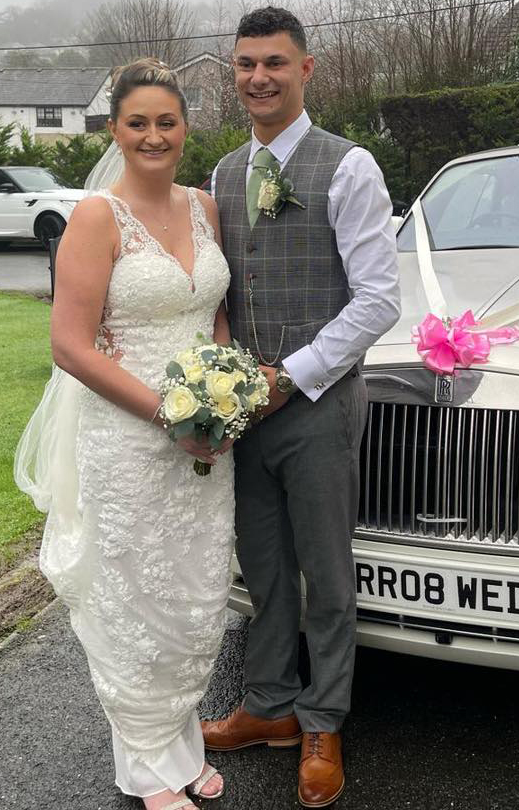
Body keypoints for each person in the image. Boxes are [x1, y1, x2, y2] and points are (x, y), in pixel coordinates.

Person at [14, 58, 233, 810]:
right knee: (136, 596)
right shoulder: (96, 218)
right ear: (114, 130)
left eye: (165, 122)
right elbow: (70, 345)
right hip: (128, 437)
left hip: (207, 441)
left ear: (184, 128)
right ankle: (146, 769)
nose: (152, 135)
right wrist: (166, 413)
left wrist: (222, 400)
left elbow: (215, 314)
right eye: (136, 123)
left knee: (194, 593)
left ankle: (183, 746)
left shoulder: (206, 207)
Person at [200, 7, 401, 808]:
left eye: (275, 63)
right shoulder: (220, 176)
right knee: (263, 565)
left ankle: (323, 719)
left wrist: (293, 374)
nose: (259, 77)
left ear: (307, 69)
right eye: (246, 64)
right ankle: (269, 705)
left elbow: (379, 300)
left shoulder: (349, 168)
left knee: (326, 571)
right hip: (246, 413)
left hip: (316, 405)